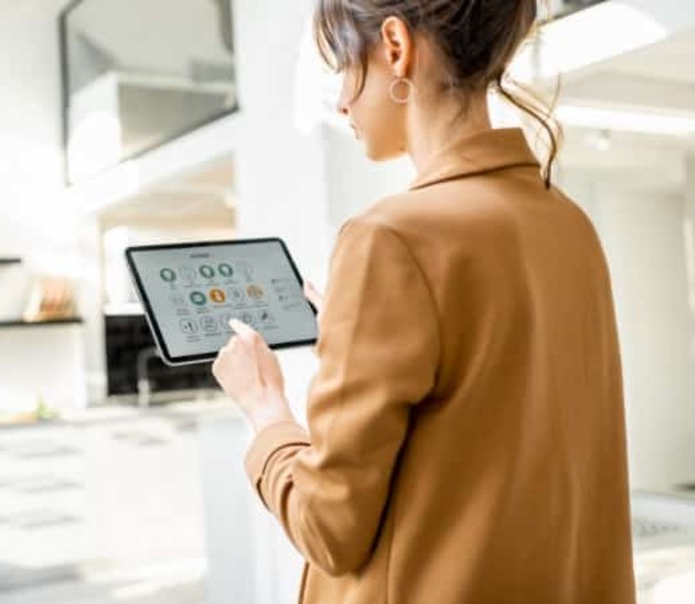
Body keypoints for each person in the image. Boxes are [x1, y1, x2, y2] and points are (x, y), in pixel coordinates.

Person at [211, 1, 637, 602]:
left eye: (342, 65)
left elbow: (329, 528)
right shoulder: (570, 225)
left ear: (394, 46)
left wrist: (266, 409)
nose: (340, 101)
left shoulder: (389, 239)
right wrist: (365, 326)